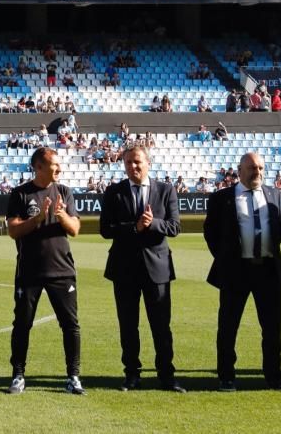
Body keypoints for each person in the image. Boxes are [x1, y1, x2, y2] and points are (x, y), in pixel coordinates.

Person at [204, 152, 281, 392]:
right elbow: (210, 233)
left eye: (261, 168)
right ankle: (226, 377)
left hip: (268, 270)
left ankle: (274, 378)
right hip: (236, 272)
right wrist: (226, 260)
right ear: (239, 170)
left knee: (272, 329)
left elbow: (280, 229)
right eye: (253, 168)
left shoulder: (274, 195)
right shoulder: (222, 198)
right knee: (228, 328)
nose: (258, 172)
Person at [99, 146, 185, 392]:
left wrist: (153, 224)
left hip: (157, 268)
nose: (132, 167)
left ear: (148, 163)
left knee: (161, 326)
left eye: (137, 162)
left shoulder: (166, 190)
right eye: (127, 163)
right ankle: (132, 375)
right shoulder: (114, 192)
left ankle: (166, 376)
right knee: (128, 325)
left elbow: (174, 227)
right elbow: (106, 230)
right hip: (124, 268)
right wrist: (134, 227)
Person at [5, 147, 84, 395]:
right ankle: (18, 375)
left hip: (62, 271)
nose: (59, 168)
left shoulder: (64, 192)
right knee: (22, 324)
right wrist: (36, 219)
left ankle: (73, 377)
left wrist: (60, 214)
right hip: (29, 272)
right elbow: (13, 231)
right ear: (39, 167)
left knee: (70, 325)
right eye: (54, 164)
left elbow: (74, 229)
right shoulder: (20, 194)